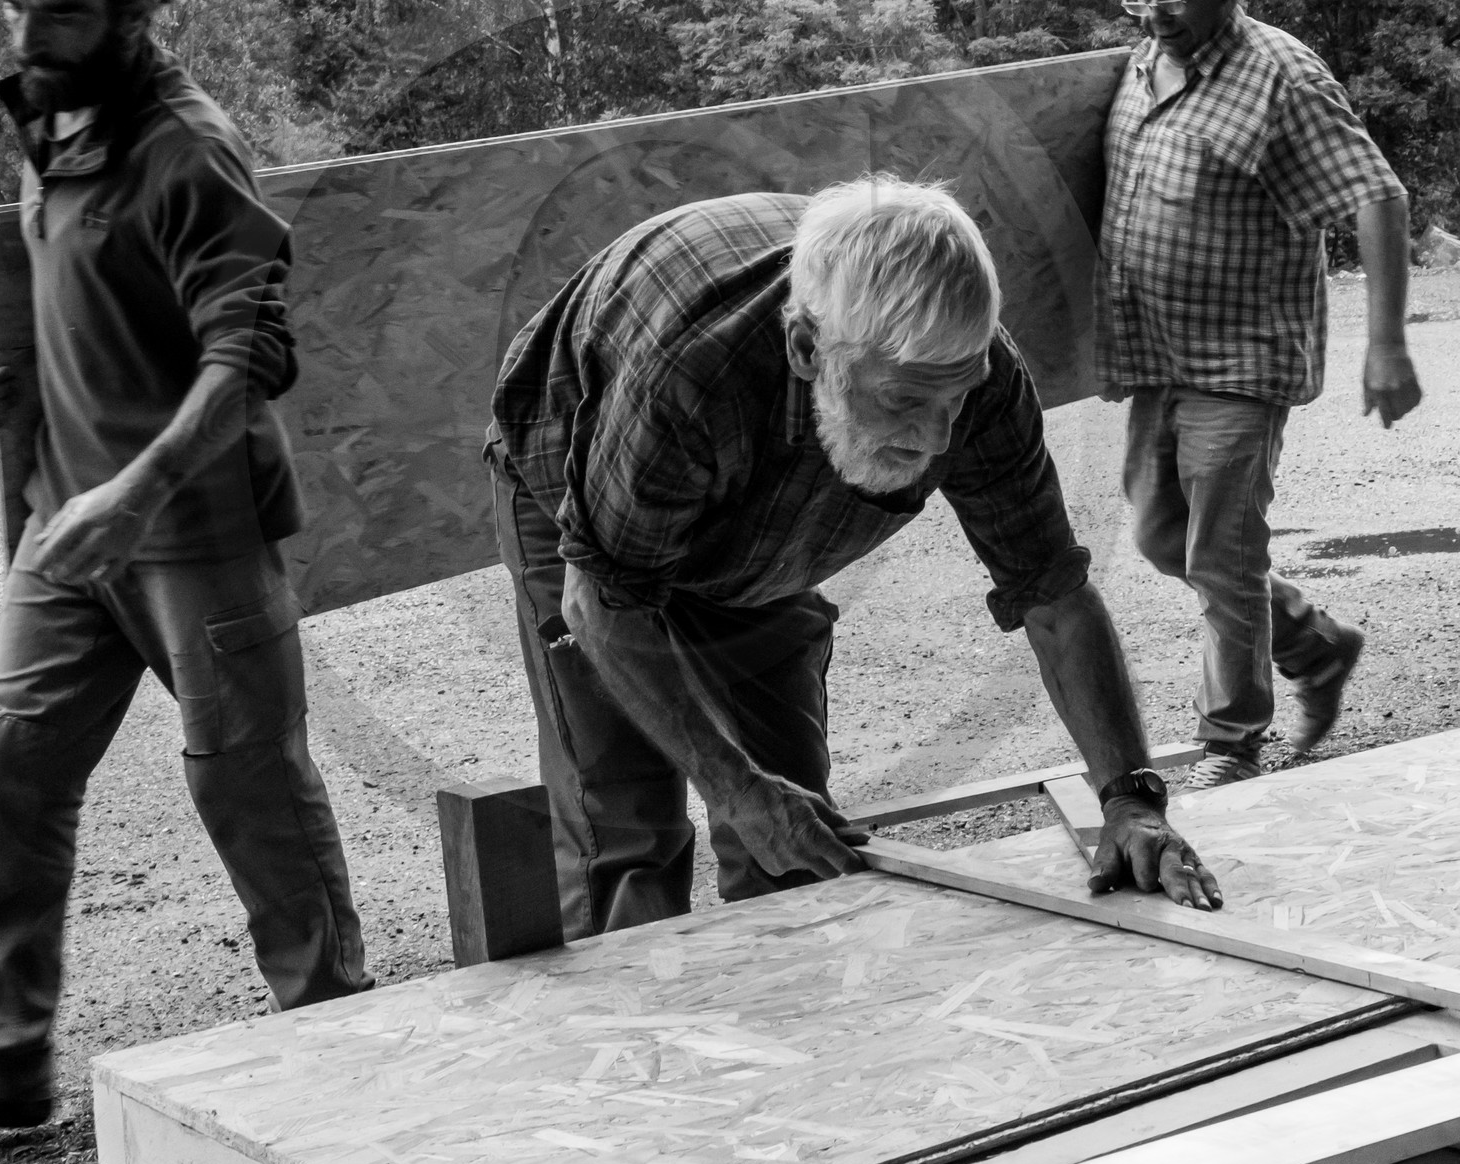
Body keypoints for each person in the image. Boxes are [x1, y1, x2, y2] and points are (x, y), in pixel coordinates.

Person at [487, 176, 1223, 942]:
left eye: (956, 398)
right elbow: (603, 600)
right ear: (808, 347)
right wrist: (731, 787)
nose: (940, 439)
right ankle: (635, 1048)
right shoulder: (688, 370)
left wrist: (1130, 797)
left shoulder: (979, 378)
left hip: (759, 532)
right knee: (630, 830)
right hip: (585, 497)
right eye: (905, 401)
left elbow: (1052, 595)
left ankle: (782, 1030)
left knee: (797, 837)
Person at [0, 0, 371, 1132]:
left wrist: (134, 492)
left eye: (55, 10)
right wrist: (9, 381)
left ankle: (338, 1027)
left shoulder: (188, 149)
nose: (22, 30)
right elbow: (83, 293)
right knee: (4, 772)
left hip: (190, 534)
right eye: (12, 2)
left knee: (249, 788)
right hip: (65, 532)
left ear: (135, 11)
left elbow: (249, 356)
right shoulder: (58, 121)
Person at [1098, 0, 1423, 790]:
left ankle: (1230, 742)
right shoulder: (1143, 61)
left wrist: (1387, 344)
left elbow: (1377, 194)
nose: (1154, 7)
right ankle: (1317, 646)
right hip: (1157, 357)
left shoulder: (1280, 75)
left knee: (1221, 555)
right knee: (1165, 539)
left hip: (1242, 363)